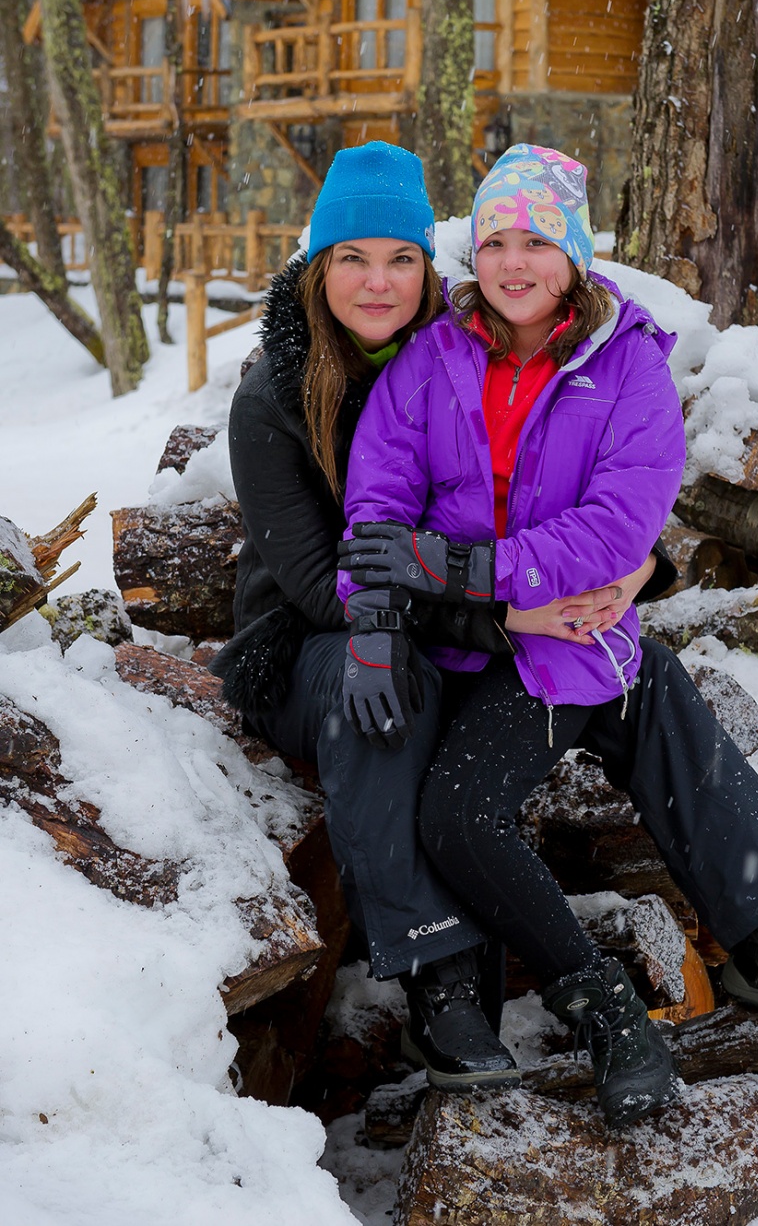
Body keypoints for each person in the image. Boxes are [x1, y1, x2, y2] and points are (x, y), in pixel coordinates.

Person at [337, 143, 758, 1128]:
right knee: (471, 807)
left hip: (570, 641)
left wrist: (467, 565)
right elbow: (375, 515)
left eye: (539, 242)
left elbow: (615, 529)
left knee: (650, 701)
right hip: (464, 649)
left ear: (576, 255)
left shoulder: (624, 361)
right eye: (497, 238)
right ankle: (606, 1009)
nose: (515, 262)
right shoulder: (431, 358)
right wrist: (401, 617)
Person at [212, 140, 674, 1106]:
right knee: (372, 684)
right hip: (311, 637)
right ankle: (440, 976)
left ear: (430, 267)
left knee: (461, 733)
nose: (377, 282)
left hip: (449, 617)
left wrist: (639, 567)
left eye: (401, 258)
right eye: (352, 258)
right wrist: (510, 619)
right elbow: (314, 579)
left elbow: (544, 492)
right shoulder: (272, 394)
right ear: (317, 268)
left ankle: (736, 936)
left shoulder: (459, 346)